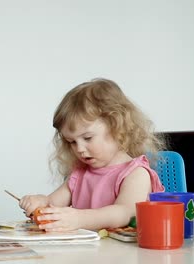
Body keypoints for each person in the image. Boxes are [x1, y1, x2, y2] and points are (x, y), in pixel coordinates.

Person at [19, 78, 165, 232]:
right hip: (88, 253)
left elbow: (125, 213)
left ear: (117, 127)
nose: (79, 149)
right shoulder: (80, 173)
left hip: (123, 254)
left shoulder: (136, 173)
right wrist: (40, 203)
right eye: (72, 142)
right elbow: (52, 203)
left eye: (87, 138)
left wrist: (79, 219)